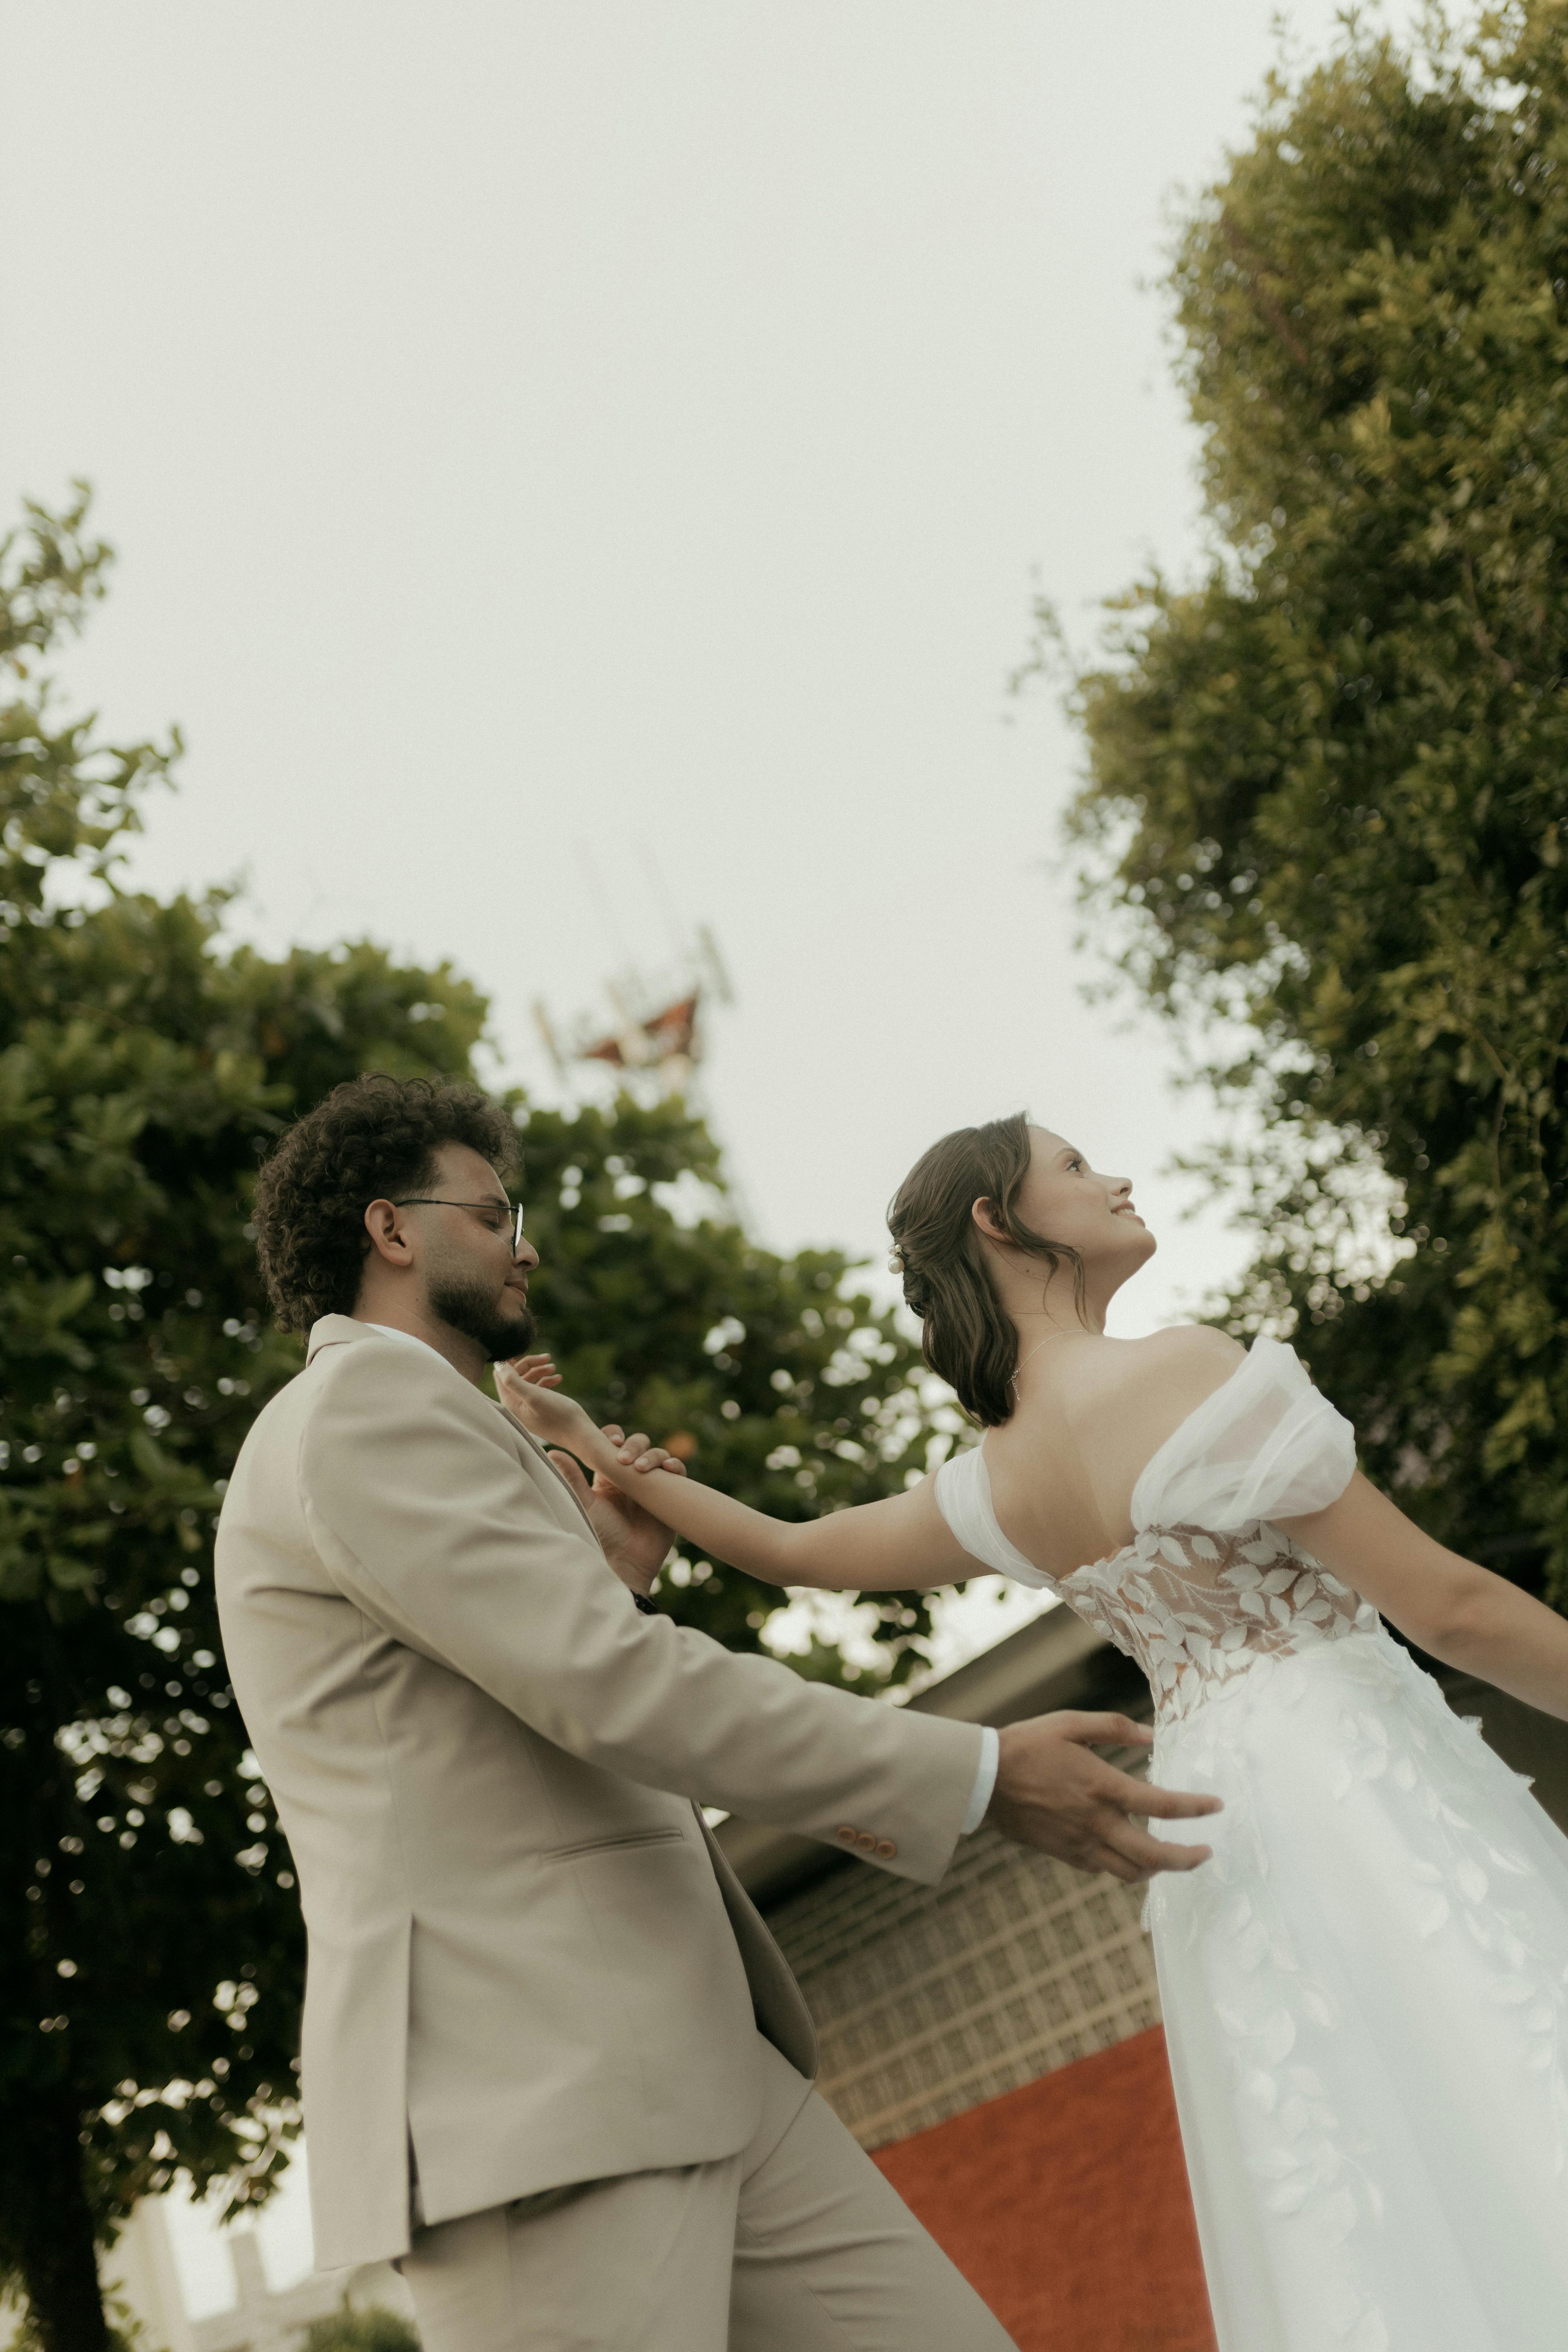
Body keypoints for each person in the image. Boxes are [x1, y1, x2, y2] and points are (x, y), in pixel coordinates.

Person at [503, 1112, 1568, 2352]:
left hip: (1220, 1828)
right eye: (1074, 1166)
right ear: (997, 1223)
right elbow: (1455, 1608)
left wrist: (597, 1455)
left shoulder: (992, 1487)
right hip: (1355, 1780)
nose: (1115, 1176)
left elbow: (792, 1552)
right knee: (1502, 2069)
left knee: (1365, 2169)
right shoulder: (1181, 1371)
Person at [214, 1076, 1222, 2352]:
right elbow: (615, 1687)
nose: (524, 1243)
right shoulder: (365, 1408)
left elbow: (526, 1685)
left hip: (694, 2056)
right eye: (493, 1210)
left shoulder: (424, 1426)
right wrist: (972, 1773)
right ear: (391, 1232)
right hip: (544, 2095)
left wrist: (604, 1578)